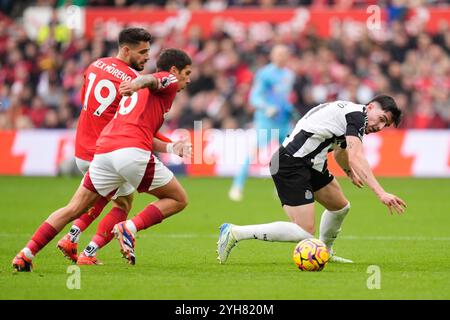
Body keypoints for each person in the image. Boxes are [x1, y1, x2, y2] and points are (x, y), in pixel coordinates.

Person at [12, 48, 192, 271]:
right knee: (178, 199)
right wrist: (138, 83)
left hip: (105, 151)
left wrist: (172, 147)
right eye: (187, 73)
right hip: (131, 151)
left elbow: (144, 129)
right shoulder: (167, 80)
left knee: (73, 208)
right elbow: (155, 79)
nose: (188, 79)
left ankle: (26, 253)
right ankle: (129, 228)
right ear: (175, 70)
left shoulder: (144, 95)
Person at [217, 95, 407, 264]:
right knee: (304, 231)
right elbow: (356, 155)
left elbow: (341, 150)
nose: (380, 127)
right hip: (291, 163)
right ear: (371, 107)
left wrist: (349, 171)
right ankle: (234, 233)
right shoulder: (357, 116)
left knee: (340, 207)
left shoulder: (352, 116)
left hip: (312, 164)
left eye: (385, 125)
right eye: (382, 120)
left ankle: (325, 252)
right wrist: (381, 193)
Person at [55, 27, 172, 265]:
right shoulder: (131, 80)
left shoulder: (95, 65)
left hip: (82, 149)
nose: (147, 57)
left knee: (98, 197)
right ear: (126, 50)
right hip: (107, 151)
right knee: (124, 203)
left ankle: (72, 238)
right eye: (142, 52)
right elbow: (135, 121)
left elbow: (85, 101)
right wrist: (170, 145)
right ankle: (86, 250)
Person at [228, 44, 295, 201]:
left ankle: (281, 189)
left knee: (288, 155)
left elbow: (284, 98)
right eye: (278, 54)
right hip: (266, 120)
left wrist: (290, 110)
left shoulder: (289, 75)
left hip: (283, 121)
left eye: (284, 54)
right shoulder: (265, 74)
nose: (281, 57)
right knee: (255, 153)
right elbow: (255, 97)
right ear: (272, 56)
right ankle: (237, 186)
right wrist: (266, 108)